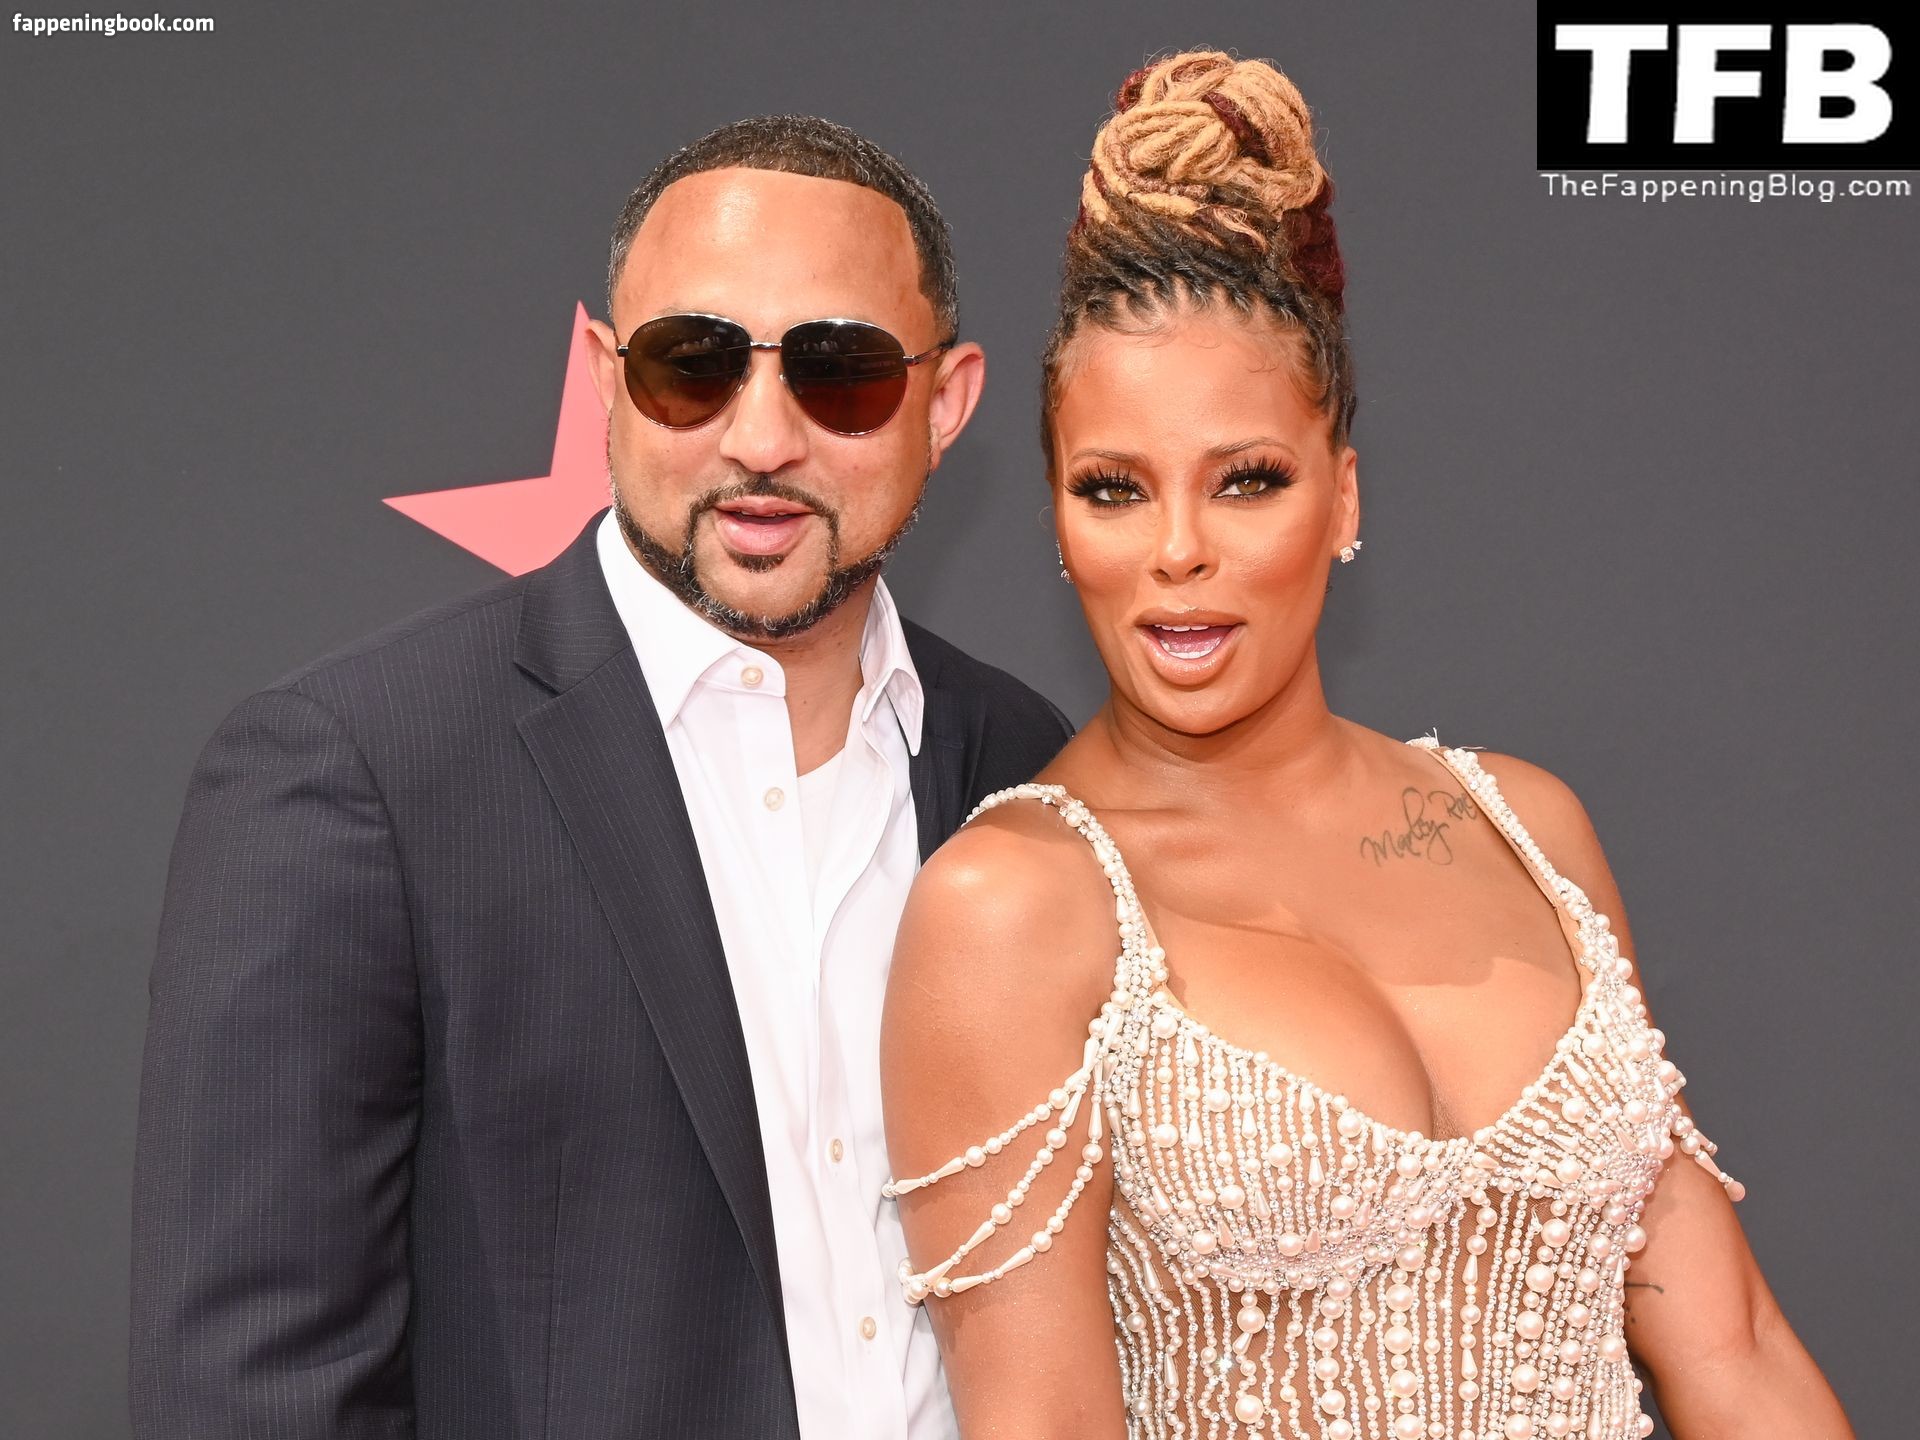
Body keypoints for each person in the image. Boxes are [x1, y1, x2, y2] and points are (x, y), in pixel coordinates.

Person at [880, 51, 1852, 1440]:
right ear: (1058, 522)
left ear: (1341, 498)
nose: (1176, 552)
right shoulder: (1013, 908)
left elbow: (1733, 1348)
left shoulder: (1526, 826)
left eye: (1247, 481)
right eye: (1113, 490)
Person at [130, 116, 1072, 1440]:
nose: (762, 438)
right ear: (604, 375)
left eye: (839, 373)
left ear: (948, 400)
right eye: (694, 365)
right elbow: (254, 1393)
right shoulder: (359, 772)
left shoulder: (1025, 763)